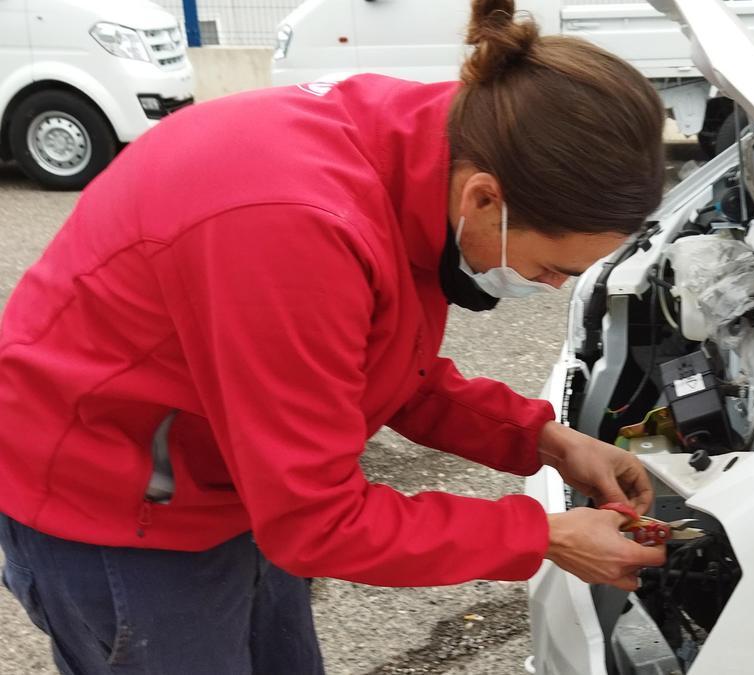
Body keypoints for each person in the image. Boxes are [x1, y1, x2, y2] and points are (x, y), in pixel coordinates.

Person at [0, 1, 667, 672]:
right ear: (485, 200)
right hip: (118, 506)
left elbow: (379, 367)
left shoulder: (433, 149)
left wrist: (543, 439)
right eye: (553, 266)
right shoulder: (295, 229)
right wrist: (543, 536)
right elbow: (315, 520)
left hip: (231, 473)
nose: (552, 286)